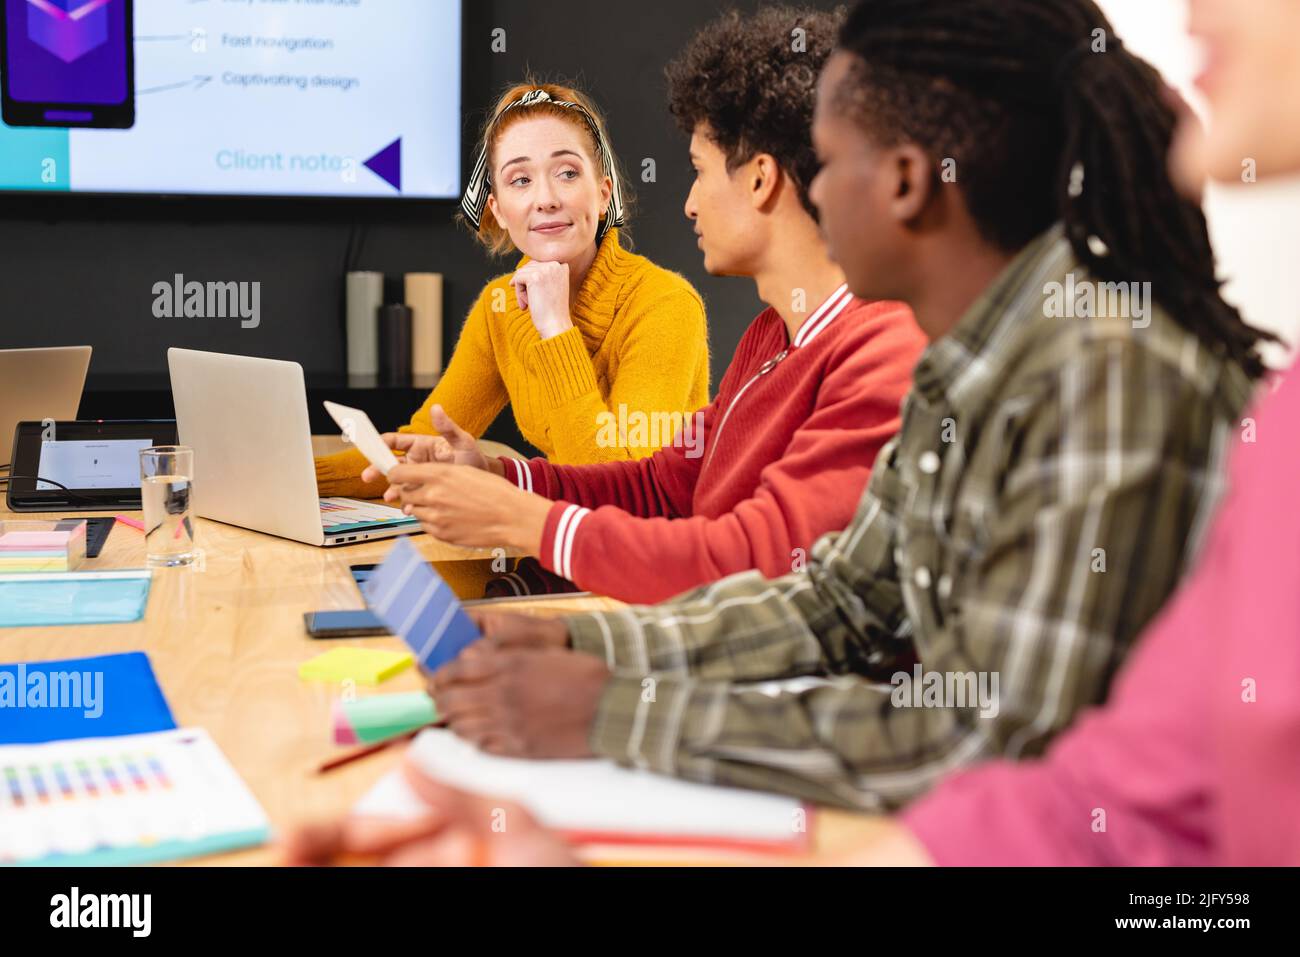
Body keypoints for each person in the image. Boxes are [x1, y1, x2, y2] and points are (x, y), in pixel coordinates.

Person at [423, 0, 1274, 813]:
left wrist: (612, 711)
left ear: (907, 184)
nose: (809, 196)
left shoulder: (1102, 378)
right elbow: (837, 599)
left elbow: (983, 738)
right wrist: (587, 646)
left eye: (825, 163)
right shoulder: (965, 363)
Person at [364, 7, 924, 604]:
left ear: (760, 180)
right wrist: (502, 475)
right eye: (520, 181)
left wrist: (524, 521)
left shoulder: (882, 348)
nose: (687, 204)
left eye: (698, 172)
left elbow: (757, 563)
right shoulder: (771, 337)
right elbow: (664, 487)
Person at [315, 82, 710, 499]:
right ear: (499, 211)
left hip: (655, 548)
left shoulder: (663, 304)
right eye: (520, 180)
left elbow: (622, 492)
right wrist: (296, 480)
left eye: (568, 173)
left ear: (602, 193)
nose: (545, 199)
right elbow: (425, 439)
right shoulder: (500, 306)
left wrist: (556, 328)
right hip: (562, 538)